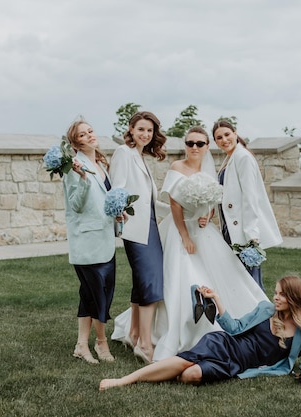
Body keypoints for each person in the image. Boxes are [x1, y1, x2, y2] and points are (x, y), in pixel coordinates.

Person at [149, 126, 268, 361]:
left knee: (224, 274)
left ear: (207, 146)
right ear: (185, 145)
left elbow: (214, 200)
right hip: (181, 231)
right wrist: (185, 235)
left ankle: (228, 320)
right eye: (190, 143)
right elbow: (174, 205)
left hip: (205, 231)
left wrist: (208, 213)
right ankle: (185, 328)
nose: (194, 147)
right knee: (184, 277)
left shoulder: (210, 169)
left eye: (200, 143)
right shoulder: (177, 168)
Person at [99, 274, 301, 390]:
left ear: (294, 298)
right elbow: (234, 327)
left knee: (190, 375)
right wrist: (216, 299)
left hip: (236, 365)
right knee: (185, 361)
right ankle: (123, 380)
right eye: (276, 292)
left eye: (282, 294)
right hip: (224, 344)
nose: (275, 297)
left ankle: (167, 370)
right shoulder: (265, 310)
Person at [109, 111, 169, 363]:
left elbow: (150, 201)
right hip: (136, 228)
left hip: (151, 225)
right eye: (141, 129)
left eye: (150, 131)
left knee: (143, 280)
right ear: (131, 129)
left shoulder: (139, 156)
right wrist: (119, 212)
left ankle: (134, 334)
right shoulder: (124, 153)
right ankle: (145, 344)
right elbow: (117, 189)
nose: (146, 134)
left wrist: (180, 212)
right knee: (150, 281)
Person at [63, 119, 117, 364]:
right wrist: (83, 179)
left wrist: (119, 214)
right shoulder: (73, 167)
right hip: (87, 242)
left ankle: (80, 345)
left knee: (89, 295)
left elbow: (102, 202)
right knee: (99, 295)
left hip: (104, 239)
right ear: (76, 143)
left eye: (90, 131)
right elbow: (75, 204)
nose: (89, 136)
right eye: (83, 135)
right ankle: (101, 343)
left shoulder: (102, 164)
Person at [212, 120, 283, 290]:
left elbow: (250, 198)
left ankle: (260, 317)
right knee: (240, 282)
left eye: (227, 134)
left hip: (243, 232)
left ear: (235, 133)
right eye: (219, 137)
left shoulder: (242, 157)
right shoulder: (230, 158)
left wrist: (251, 236)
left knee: (250, 283)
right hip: (230, 229)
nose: (224, 140)